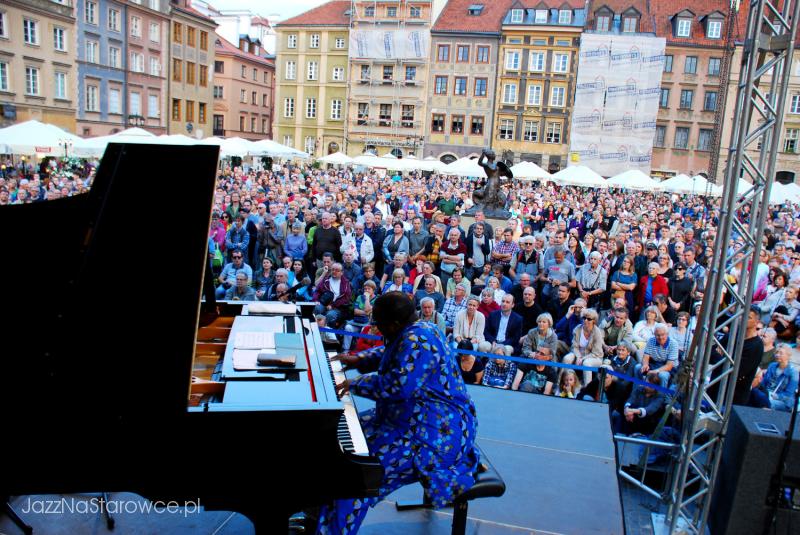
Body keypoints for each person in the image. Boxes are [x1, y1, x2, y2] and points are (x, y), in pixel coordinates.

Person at [319, 292, 479, 534]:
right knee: (344, 442)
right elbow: (390, 352)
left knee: (357, 476)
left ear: (393, 324)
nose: (376, 327)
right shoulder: (418, 327)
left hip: (435, 433)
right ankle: (323, 512)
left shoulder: (418, 338)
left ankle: (334, 527)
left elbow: (397, 386)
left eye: (379, 323)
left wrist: (355, 383)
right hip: (412, 417)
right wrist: (356, 359)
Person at [612, 371, 666, 435]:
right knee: (620, 413)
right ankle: (619, 436)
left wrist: (632, 411)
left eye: (650, 386)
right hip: (634, 416)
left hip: (649, 420)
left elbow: (650, 409)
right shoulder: (639, 388)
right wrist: (627, 409)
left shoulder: (660, 395)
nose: (647, 386)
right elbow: (631, 399)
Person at [749, 343, 799, 411]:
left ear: (788, 355)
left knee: (762, 401)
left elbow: (788, 395)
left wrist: (773, 396)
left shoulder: (793, 373)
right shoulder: (772, 365)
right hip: (766, 395)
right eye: (777, 352)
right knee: (750, 395)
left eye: (781, 353)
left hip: (782, 401)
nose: (777, 355)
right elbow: (763, 384)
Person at [562, 308, 605, 386]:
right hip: (579, 354)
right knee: (567, 358)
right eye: (584, 318)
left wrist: (582, 358)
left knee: (586, 363)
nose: (585, 320)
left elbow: (596, 352)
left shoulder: (597, 332)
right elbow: (574, 347)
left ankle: (587, 388)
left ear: (594, 321)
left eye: (589, 319)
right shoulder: (577, 329)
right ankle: (564, 384)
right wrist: (578, 357)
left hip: (595, 357)